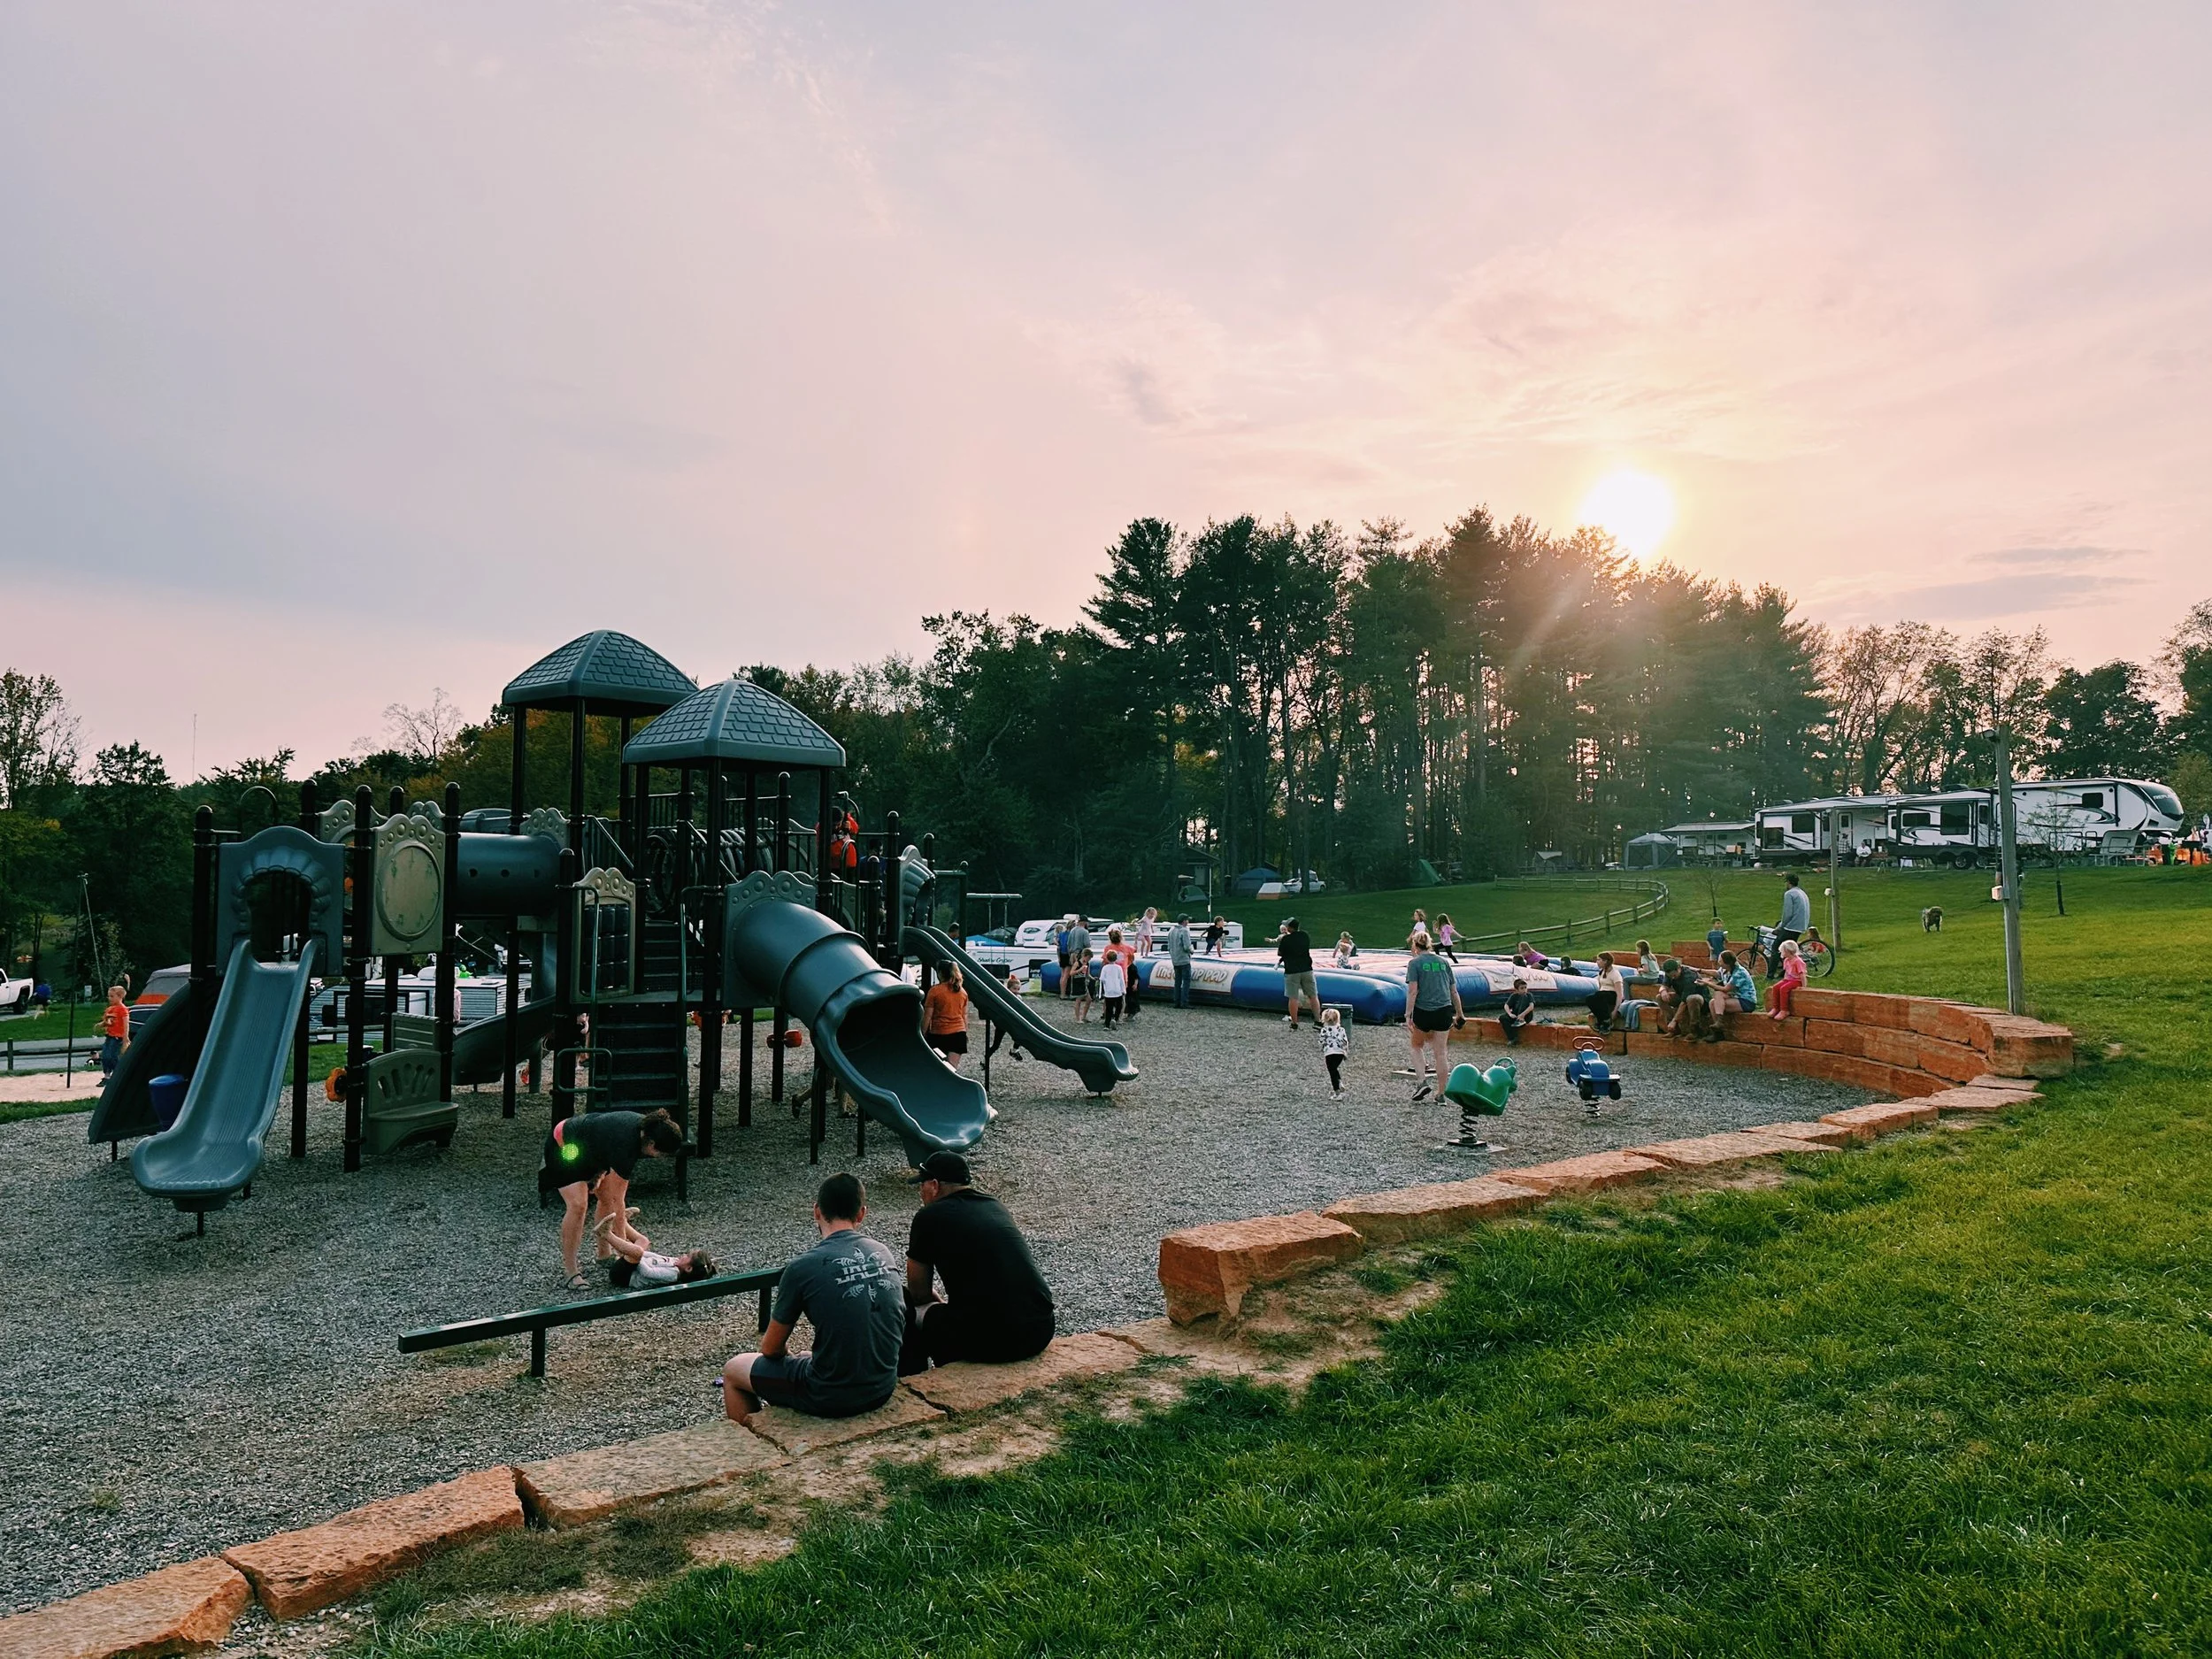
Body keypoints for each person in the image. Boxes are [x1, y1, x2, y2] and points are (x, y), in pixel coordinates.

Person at [724, 1173, 905, 1423]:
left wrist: (793, 1359)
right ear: (862, 1214)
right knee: (810, 1357)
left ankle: (749, 1451)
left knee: (733, 1370)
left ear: (817, 1211)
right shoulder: (882, 1251)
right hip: (882, 1386)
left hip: (831, 1394)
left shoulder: (802, 1267)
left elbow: (770, 1348)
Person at [901, 1151, 1056, 1372]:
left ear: (934, 1185)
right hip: (1040, 1329)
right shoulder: (995, 1205)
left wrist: (940, 1307)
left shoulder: (929, 1216)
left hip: (992, 1340)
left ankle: (923, 1376)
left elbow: (918, 1293)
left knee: (913, 1312)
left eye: (922, 1185)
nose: (920, 1192)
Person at [538, 1108, 686, 1293]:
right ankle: (571, 1272)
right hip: (565, 1146)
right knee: (578, 1205)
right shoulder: (627, 1143)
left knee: (606, 1199)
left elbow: (604, 1146)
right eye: (662, 1154)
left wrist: (599, 1173)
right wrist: (626, 1255)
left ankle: (604, 1255)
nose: (660, 1158)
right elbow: (620, 1201)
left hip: (590, 1151)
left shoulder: (648, 1128)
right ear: (652, 1144)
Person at [1403, 933, 1464, 1101]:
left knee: (1416, 1046)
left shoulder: (1414, 963)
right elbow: (1454, 991)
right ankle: (1442, 1093)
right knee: (1441, 1053)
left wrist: (1408, 1014)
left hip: (1423, 1011)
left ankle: (1422, 1082)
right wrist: (1460, 1013)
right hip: (1444, 1010)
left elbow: (1413, 991)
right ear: (1430, 944)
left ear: (1415, 946)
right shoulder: (1443, 962)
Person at [595, 1220, 718, 1289]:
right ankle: (622, 1223)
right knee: (644, 1242)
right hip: (632, 1264)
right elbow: (653, 1256)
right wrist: (636, 1251)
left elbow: (647, 1272)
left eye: (688, 1256)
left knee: (637, 1252)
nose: (684, 1255)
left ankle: (606, 1234)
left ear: (688, 1268)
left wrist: (637, 1255)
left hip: (625, 1277)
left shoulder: (672, 1274)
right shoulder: (675, 1261)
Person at [1274, 916, 1320, 1029]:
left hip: (1292, 971)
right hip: (1307, 969)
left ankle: (1294, 1022)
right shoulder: (1305, 936)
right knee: (1313, 996)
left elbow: (1280, 953)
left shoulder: (1286, 939)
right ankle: (1317, 1020)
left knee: (1293, 997)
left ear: (1289, 927)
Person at [924, 964, 970, 1069]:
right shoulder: (962, 992)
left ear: (940, 974)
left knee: (936, 1067)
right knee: (952, 1069)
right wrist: (965, 1032)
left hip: (939, 1034)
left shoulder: (935, 991)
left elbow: (928, 1016)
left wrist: (923, 1033)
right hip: (958, 1034)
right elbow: (964, 1016)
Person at [1707, 949, 1759, 1038]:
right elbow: (1717, 973)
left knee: (1716, 999)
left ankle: (1719, 1025)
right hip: (1736, 997)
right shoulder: (1726, 969)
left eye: (1720, 961)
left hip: (1746, 1001)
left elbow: (1726, 989)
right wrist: (1699, 970)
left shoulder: (1739, 973)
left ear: (1727, 963)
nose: (1719, 962)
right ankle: (1718, 1029)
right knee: (1713, 1002)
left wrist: (1708, 984)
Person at [1655, 957, 1709, 1041]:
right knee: (1660, 998)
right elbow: (1664, 985)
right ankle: (1673, 1030)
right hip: (1682, 996)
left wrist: (1675, 1021)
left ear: (1679, 969)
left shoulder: (1690, 976)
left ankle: (1695, 1030)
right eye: (1670, 976)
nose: (1672, 978)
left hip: (1699, 1000)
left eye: (1674, 975)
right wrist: (1663, 991)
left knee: (1691, 999)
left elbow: (1684, 1003)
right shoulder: (1670, 973)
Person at [1770, 873, 1810, 978]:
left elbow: (1787, 913)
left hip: (1792, 926)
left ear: (1788, 882)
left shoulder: (1789, 894)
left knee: (1776, 948)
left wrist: (1781, 926)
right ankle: (1785, 972)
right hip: (1801, 925)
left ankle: (1770, 974)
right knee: (1789, 950)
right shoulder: (1802, 893)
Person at [1769, 939, 1808, 1018]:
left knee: (1784, 989)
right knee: (1776, 987)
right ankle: (1776, 1008)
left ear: (1788, 951)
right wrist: (1784, 980)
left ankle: (1784, 1010)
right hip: (1789, 979)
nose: (1782, 953)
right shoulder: (1786, 960)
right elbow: (1787, 972)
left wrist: (1804, 986)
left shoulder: (1797, 961)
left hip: (1797, 981)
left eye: (1783, 951)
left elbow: (1802, 975)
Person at [98, 985, 131, 1079]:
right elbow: (108, 1021)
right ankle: (107, 1076)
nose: (110, 998)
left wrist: (125, 1038)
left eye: (112, 996)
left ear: (120, 997)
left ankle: (119, 1074)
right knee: (105, 1056)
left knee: (113, 1056)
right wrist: (102, 1024)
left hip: (118, 1037)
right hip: (109, 1036)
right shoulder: (110, 1009)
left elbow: (126, 1024)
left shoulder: (123, 1009)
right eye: (109, 996)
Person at [1588, 950, 1624, 1033]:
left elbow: (1619, 993)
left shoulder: (1615, 974)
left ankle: (1607, 1021)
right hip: (1602, 994)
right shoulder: (1601, 972)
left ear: (1605, 961)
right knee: (1589, 998)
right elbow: (1600, 988)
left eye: (1599, 960)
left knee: (1600, 996)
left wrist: (1616, 1009)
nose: (1597, 962)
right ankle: (1602, 1021)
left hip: (1612, 995)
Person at [1498, 978, 1539, 1045]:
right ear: (1516, 990)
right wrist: (1510, 1014)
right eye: (1522, 988)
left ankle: (1521, 1021)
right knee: (1503, 1018)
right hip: (1516, 1015)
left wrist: (1523, 1015)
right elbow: (1506, 1005)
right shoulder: (1514, 996)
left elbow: (1531, 1006)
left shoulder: (1528, 995)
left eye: (1525, 988)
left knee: (1524, 997)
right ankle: (1512, 1038)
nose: (1524, 990)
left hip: (1526, 1016)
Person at [1318, 1007, 1349, 1094]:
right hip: (1340, 1052)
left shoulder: (1324, 1030)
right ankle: (1340, 1082)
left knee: (1332, 1071)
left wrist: (1322, 1048)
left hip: (1329, 1052)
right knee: (1334, 1069)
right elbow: (1345, 1041)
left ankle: (1337, 1091)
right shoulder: (1341, 1029)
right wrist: (1345, 1052)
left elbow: (1321, 1041)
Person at [1168, 914, 1195, 1008]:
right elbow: (1187, 946)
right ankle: (1184, 1002)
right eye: (1187, 920)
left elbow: (1169, 947)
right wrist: (1192, 951)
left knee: (1177, 981)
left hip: (1175, 959)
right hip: (1184, 959)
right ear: (1184, 921)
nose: (1188, 922)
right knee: (1186, 981)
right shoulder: (1184, 930)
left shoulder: (1171, 930)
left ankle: (1176, 1002)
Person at [1097, 949, 1127, 1028]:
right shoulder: (1118, 968)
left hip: (1109, 991)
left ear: (1107, 958)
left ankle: (1107, 1024)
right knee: (1119, 1006)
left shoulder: (1105, 968)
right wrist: (1123, 990)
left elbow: (1102, 979)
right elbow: (1121, 979)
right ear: (1116, 958)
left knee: (1109, 1008)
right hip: (1117, 990)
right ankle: (1115, 1019)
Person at [1069, 946, 1094, 1023]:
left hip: (1083, 983)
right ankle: (1078, 1018)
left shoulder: (1087, 964)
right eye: (1089, 958)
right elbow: (1071, 973)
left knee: (1089, 1000)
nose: (1089, 960)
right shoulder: (1077, 963)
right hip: (1077, 982)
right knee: (1078, 1000)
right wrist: (1079, 970)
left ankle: (1084, 1016)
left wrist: (1093, 978)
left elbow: (1087, 974)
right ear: (1084, 956)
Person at [1054, 918, 1073, 999]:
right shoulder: (1071, 935)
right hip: (1067, 954)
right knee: (1066, 975)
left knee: (1062, 975)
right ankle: (1063, 994)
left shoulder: (1061, 934)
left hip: (1061, 954)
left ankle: (1062, 993)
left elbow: (1056, 941)